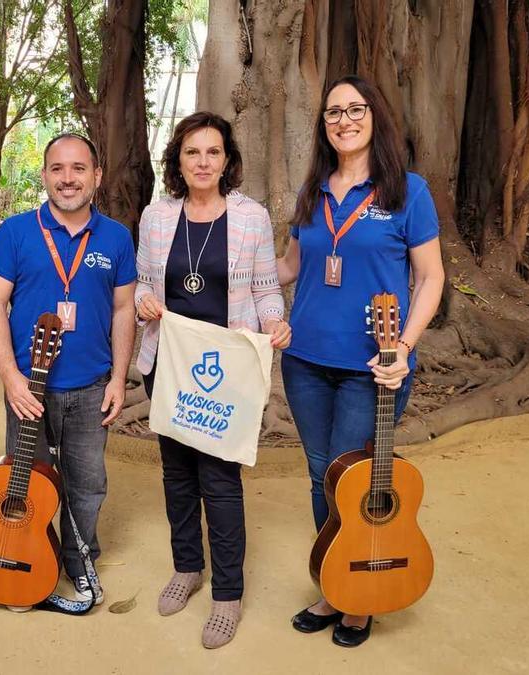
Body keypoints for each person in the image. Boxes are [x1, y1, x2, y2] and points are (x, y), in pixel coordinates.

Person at [277, 75, 445, 648]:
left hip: (373, 366)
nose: (343, 120)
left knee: (352, 476)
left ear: (374, 116)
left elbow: (430, 277)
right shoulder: (313, 191)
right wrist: (213, 277)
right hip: (303, 361)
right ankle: (336, 581)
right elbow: (287, 267)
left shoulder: (406, 192)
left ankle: (357, 598)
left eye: (354, 109)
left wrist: (402, 348)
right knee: (320, 473)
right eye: (332, 113)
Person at [134, 111, 290, 649]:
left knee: (220, 480)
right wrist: (144, 302)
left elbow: (268, 289)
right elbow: (139, 287)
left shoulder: (251, 218)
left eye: (213, 152)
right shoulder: (155, 218)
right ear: (178, 161)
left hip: (227, 369)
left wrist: (274, 320)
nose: (203, 162)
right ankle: (186, 568)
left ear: (227, 160)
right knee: (176, 474)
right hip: (169, 364)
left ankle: (227, 593)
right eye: (192, 152)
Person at [0, 133, 136, 608]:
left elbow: (124, 309)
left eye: (78, 168)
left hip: (91, 388)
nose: (68, 179)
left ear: (96, 176)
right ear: (45, 174)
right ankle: (24, 555)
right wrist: (11, 379)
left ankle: (77, 559)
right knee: (24, 482)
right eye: (57, 169)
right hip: (30, 389)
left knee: (88, 483)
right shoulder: (14, 233)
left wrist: (118, 378)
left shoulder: (115, 236)